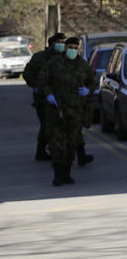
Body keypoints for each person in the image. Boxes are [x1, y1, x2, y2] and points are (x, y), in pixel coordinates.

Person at [39, 36, 96, 186]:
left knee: (72, 144)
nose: (73, 50)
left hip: (75, 112)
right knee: (57, 145)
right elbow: (42, 80)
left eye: (75, 48)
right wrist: (48, 94)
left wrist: (88, 90)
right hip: (56, 111)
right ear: (65, 48)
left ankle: (67, 174)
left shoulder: (82, 65)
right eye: (70, 47)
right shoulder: (54, 63)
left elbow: (93, 81)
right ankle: (58, 176)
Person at [23, 32, 66, 161]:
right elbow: (27, 73)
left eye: (63, 42)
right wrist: (36, 85)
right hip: (43, 97)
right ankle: (44, 150)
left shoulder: (66, 58)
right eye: (59, 42)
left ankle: (53, 149)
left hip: (61, 96)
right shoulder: (40, 57)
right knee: (48, 124)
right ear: (52, 44)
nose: (62, 45)